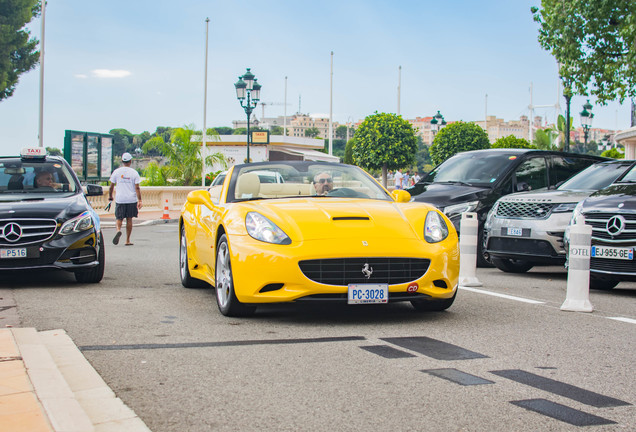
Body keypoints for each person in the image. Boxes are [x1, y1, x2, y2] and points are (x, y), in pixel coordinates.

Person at [108, 153, 142, 246]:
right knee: (129, 219)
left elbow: (111, 186)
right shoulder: (134, 173)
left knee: (119, 218)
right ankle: (127, 240)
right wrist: (140, 200)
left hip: (120, 199)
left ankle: (118, 230)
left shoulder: (116, 172)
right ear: (130, 161)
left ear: (122, 161)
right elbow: (137, 188)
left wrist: (110, 196)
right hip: (131, 199)